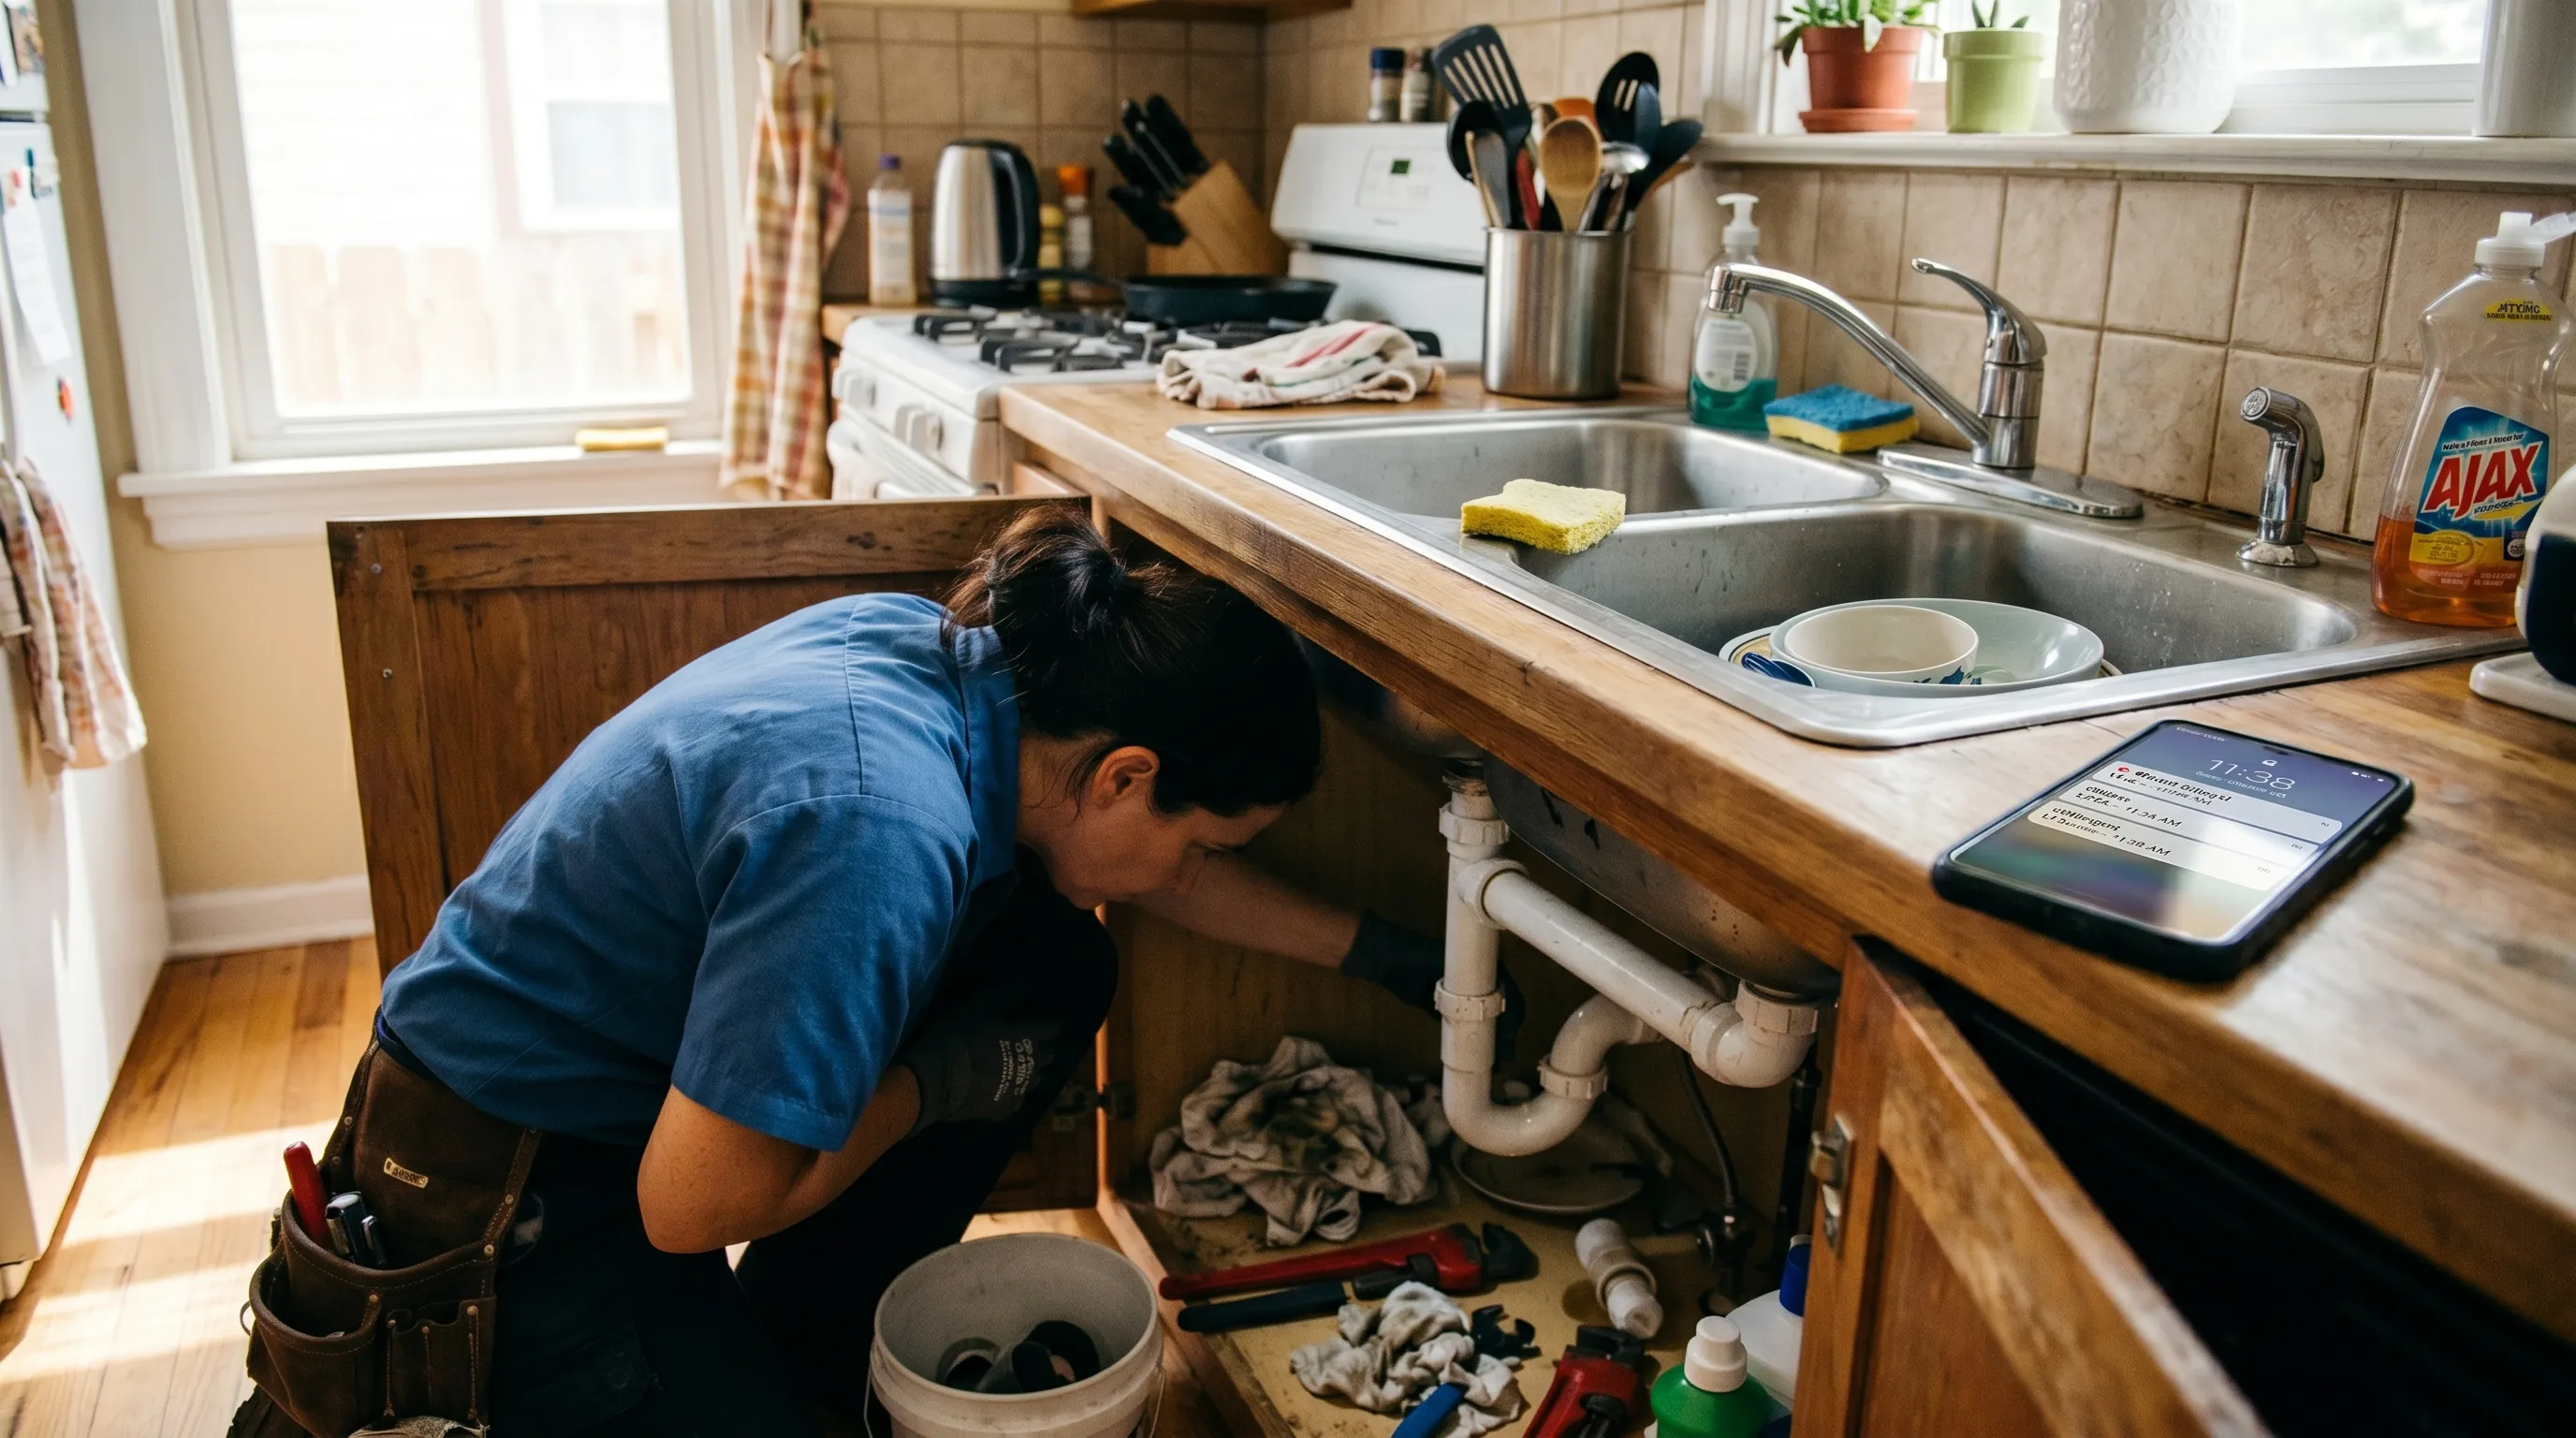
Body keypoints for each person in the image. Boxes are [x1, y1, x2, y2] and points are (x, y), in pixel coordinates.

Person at [299, 511, 1499, 1435]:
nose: (1189, 873)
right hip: (497, 1203)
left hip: (584, 1110)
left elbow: (1155, 877)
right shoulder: (879, 830)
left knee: (1051, 961)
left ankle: (793, 1350)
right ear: (1126, 775)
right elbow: (692, 1205)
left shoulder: (949, 668)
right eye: (1202, 840)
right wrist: (945, 1081)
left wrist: (1399, 958)